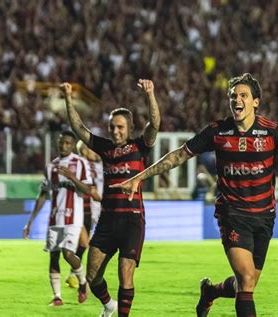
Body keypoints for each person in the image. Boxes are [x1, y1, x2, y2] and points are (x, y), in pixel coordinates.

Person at [111, 73, 278, 317]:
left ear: (256, 102)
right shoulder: (217, 131)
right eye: (233, 96)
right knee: (248, 280)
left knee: (245, 283)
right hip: (232, 214)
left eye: (243, 95)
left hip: (264, 217)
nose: (237, 100)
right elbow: (179, 156)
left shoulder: (272, 132)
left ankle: (211, 291)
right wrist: (139, 177)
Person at [61, 79, 161, 317]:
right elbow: (79, 129)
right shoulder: (105, 149)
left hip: (132, 222)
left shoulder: (140, 147)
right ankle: (108, 305)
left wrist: (150, 95)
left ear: (129, 128)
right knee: (92, 275)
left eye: (120, 127)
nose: (115, 131)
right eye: (112, 127)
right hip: (107, 221)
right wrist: (68, 98)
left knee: (125, 273)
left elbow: (155, 123)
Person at [23, 130, 101, 306]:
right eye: (61, 143)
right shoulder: (51, 167)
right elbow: (43, 195)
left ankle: (82, 281)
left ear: (73, 145)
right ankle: (57, 296)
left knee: (68, 254)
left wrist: (72, 177)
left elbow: (88, 189)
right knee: (53, 256)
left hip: (74, 217)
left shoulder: (80, 163)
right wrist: (30, 221)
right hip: (54, 217)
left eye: (67, 143)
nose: (64, 146)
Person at [65, 140, 104, 289]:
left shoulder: (100, 165)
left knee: (88, 243)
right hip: (83, 207)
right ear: (85, 151)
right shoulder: (80, 164)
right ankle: (76, 275)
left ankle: (77, 274)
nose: (95, 151)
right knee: (84, 243)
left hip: (96, 208)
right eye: (91, 149)